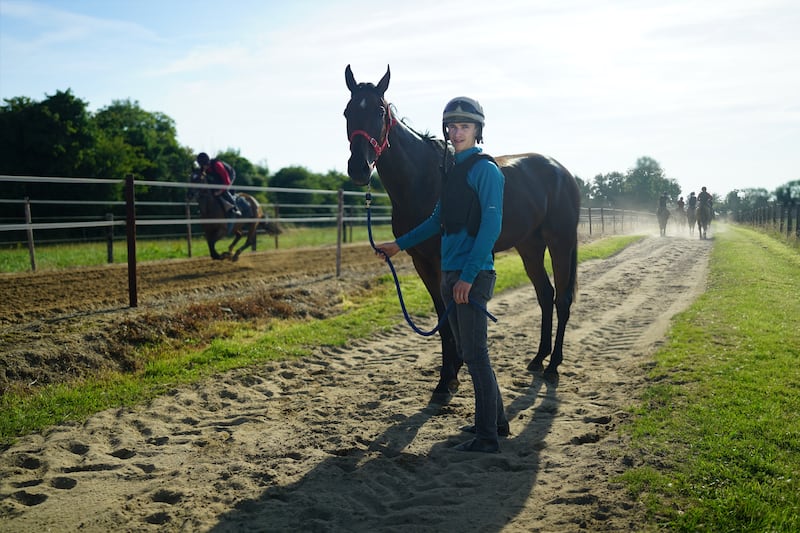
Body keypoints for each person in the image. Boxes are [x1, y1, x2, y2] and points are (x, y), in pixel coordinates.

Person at [374, 96, 509, 454]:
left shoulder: (486, 170)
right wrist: (398, 245)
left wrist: (467, 276)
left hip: (472, 275)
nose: (456, 132)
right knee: (468, 349)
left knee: (476, 355)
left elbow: (491, 227)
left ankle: (486, 438)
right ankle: (497, 422)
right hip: (451, 272)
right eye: (451, 126)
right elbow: (436, 220)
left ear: (478, 130)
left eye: (464, 126)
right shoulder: (451, 169)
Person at [196, 152, 241, 217]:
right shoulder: (203, 167)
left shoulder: (217, 165)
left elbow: (227, 182)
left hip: (229, 175)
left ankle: (235, 208)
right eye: (202, 166)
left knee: (223, 192)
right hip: (217, 176)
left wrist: (220, 191)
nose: (204, 168)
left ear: (207, 163)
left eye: (205, 165)